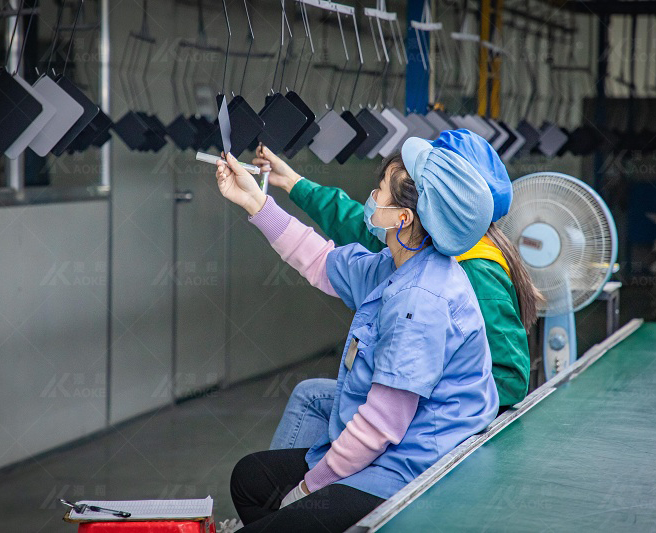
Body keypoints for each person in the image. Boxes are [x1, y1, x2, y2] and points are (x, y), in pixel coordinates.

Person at [217, 136, 498, 532]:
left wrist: (306, 490)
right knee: (251, 478)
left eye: (380, 190)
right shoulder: (396, 264)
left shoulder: (421, 301)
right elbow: (320, 260)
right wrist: (254, 202)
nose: (371, 196)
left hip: (408, 471)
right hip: (389, 449)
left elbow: (380, 427)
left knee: (280, 510)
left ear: (404, 218)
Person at [258, 130, 541, 451]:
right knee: (313, 396)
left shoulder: (475, 270)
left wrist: (425, 404)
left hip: (438, 429)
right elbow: (354, 226)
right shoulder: (422, 245)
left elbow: (510, 379)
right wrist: (292, 184)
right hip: (418, 413)